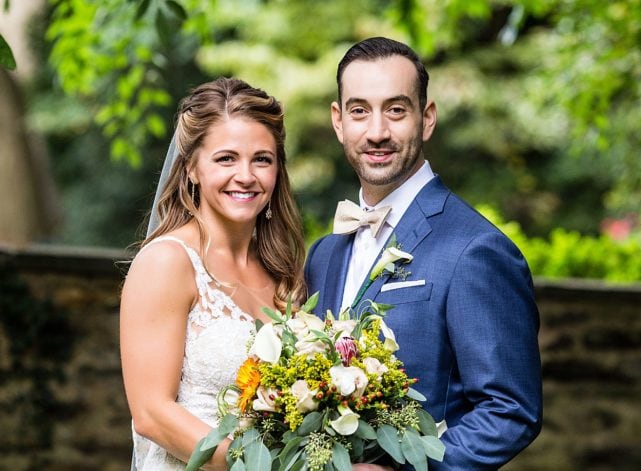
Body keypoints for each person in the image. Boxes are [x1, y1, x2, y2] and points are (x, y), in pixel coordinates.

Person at [304, 37, 543, 470]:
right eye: (360, 111)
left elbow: (509, 410)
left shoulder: (477, 249)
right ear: (338, 122)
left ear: (426, 118)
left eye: (396, 110)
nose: (377, 131)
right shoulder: (323, 254)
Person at [120, 77, 306, 470]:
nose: (246, 175)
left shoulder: (283, 273)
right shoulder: (167, 262)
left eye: (262, 159)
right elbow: (152, 413)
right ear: (191, 169)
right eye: (226, 159)